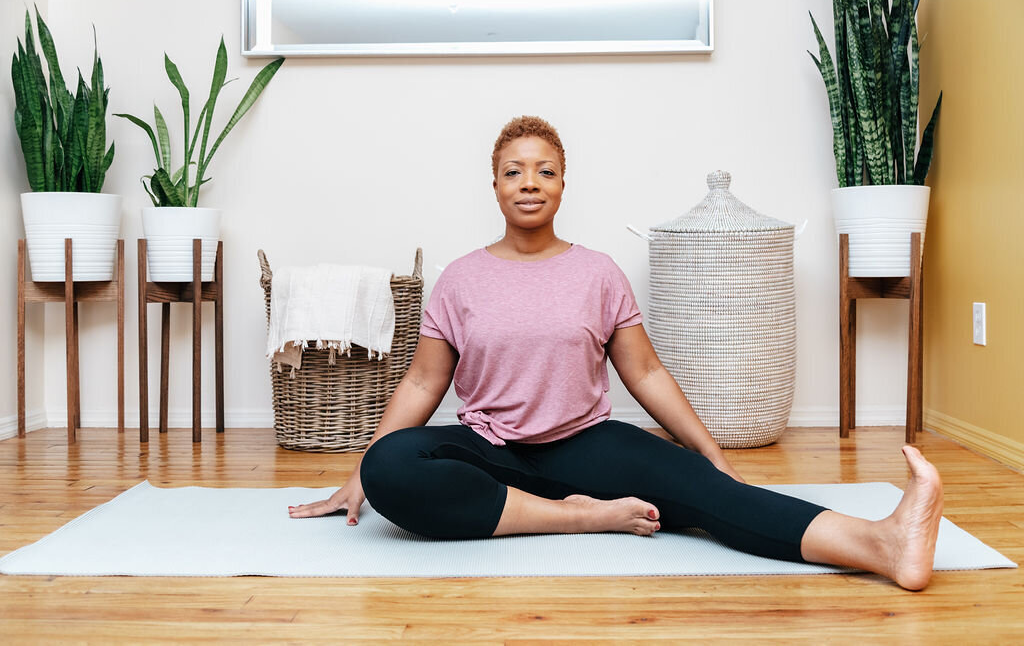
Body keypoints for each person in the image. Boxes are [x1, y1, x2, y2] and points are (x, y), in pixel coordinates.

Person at [289, 116, 944, 591]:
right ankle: (579, 519)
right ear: (493, 185)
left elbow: (646, 371)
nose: (529, 182)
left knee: (714, 499)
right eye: (513, 170)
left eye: (545, 170)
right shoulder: (460, 278)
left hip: (587, 444)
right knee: (393, 467)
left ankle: (884, 544)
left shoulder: (597, 272)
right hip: (488, 452)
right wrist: (364, 467)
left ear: (563, 184)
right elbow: (422, 383)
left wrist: (710, 455)